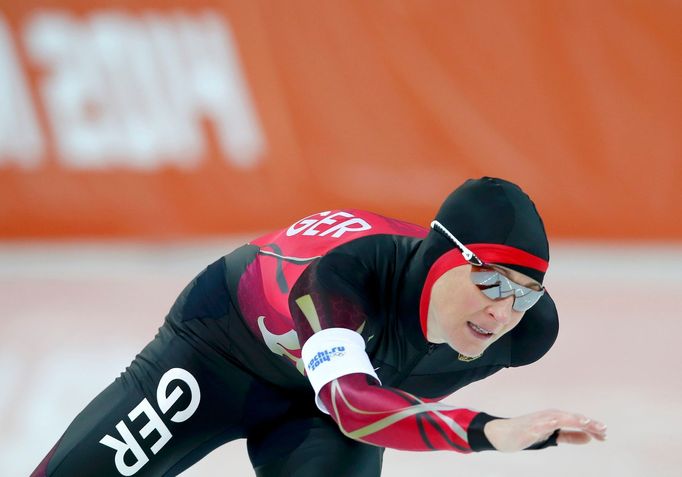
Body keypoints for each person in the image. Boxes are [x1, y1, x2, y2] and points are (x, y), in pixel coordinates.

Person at [31, 177, 606, 477]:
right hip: (219, 356)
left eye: (524, 295)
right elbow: (351, 404)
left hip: (322, 411)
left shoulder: (524, 335)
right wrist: (491, 432)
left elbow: (344, 413)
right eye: (492, 283)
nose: (503, 313)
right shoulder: (343, 280)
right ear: (442, 258)